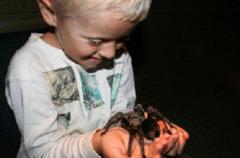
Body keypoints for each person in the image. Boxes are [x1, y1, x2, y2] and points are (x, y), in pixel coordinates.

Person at [5, 0, 189, 157]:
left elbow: (121, 114)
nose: (111, 54)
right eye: (96, 41)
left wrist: (148, 131)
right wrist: (97, 142)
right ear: (50, 11)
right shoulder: (30, 68)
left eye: (122, 38)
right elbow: (42, 150)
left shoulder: (120, 57)